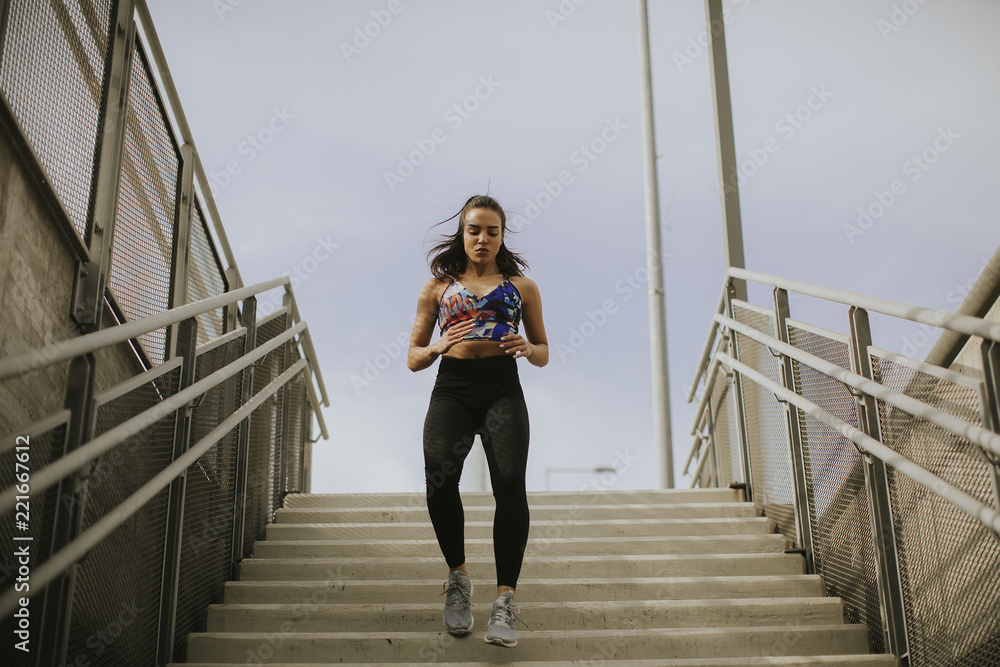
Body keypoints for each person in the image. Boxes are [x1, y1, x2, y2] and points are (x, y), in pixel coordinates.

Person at [407, 194, 549, 648]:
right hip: (453, 387)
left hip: (503, 388)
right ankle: (459, 579)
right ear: (462, 234)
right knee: (438, 478)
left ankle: (505, 599)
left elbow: (544, 351)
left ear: (502, 235)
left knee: (509, 483)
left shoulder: (522, 287)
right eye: (475, 230)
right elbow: (413, 357)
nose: (483, 238)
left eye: (492, 231)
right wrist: (435, 348)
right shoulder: (438, 288)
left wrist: (529, 348)